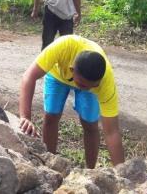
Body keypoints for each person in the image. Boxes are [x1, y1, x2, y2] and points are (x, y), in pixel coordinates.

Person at [18, 35, 124, 168]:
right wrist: (25, 117)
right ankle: (49, 164)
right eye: (82, 85)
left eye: (92, 86)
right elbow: (29, 76)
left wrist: (122, 173)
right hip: (57, 76)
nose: (86, 88)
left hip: (90, 83)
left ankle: (90, 170)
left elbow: (112, 132)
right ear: (72, 70)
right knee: (51, 116)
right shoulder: (62, 46)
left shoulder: (105, 84)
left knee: (90, 125)